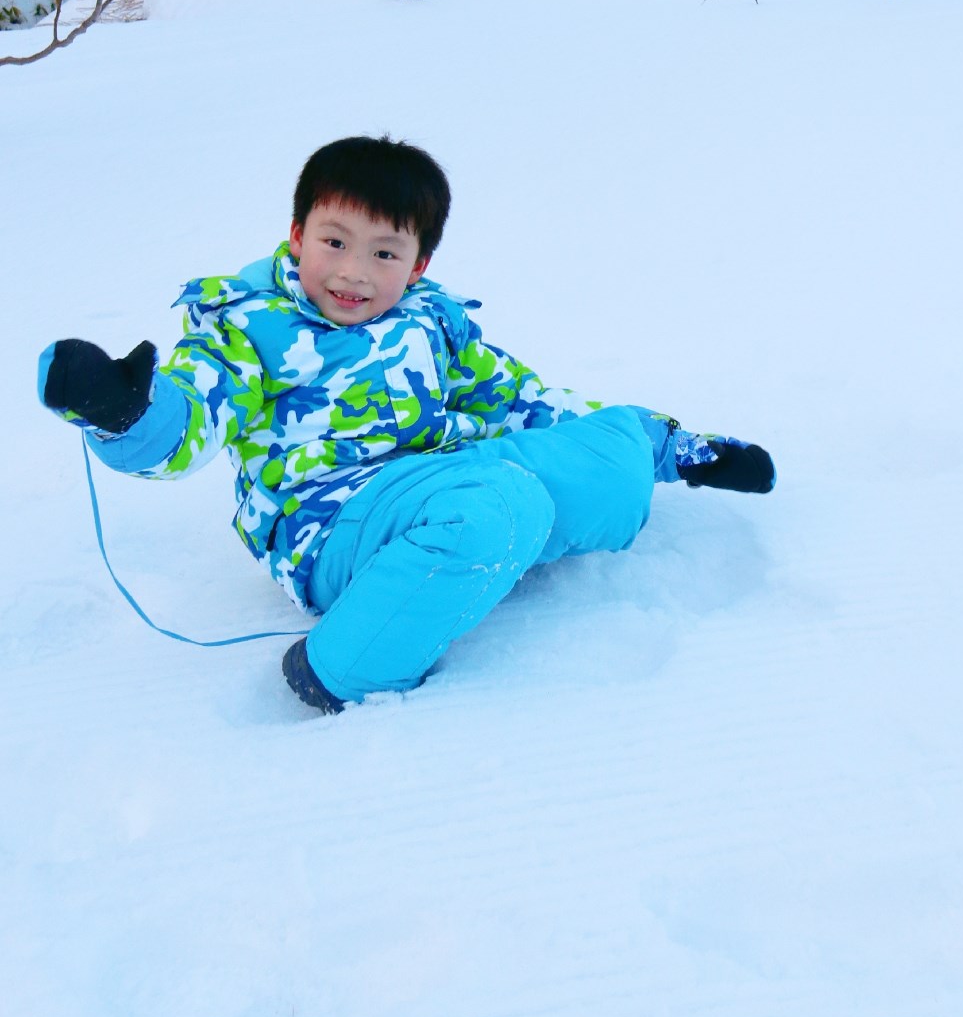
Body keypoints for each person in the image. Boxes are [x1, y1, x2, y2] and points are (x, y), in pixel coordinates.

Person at [38, 135, 774, 713]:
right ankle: (338, 669)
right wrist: (127, 411)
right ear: (296, 234)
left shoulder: (430, 324)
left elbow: (520, 399)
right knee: (502, 504)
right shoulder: (248, 328)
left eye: (384, 252)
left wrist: (657, 445)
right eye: (335, 242)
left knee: (608, 470)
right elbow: (194, 415)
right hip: (329, 524)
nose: (354, 272)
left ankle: (595, 477)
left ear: (418, 265)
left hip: (442, 483)